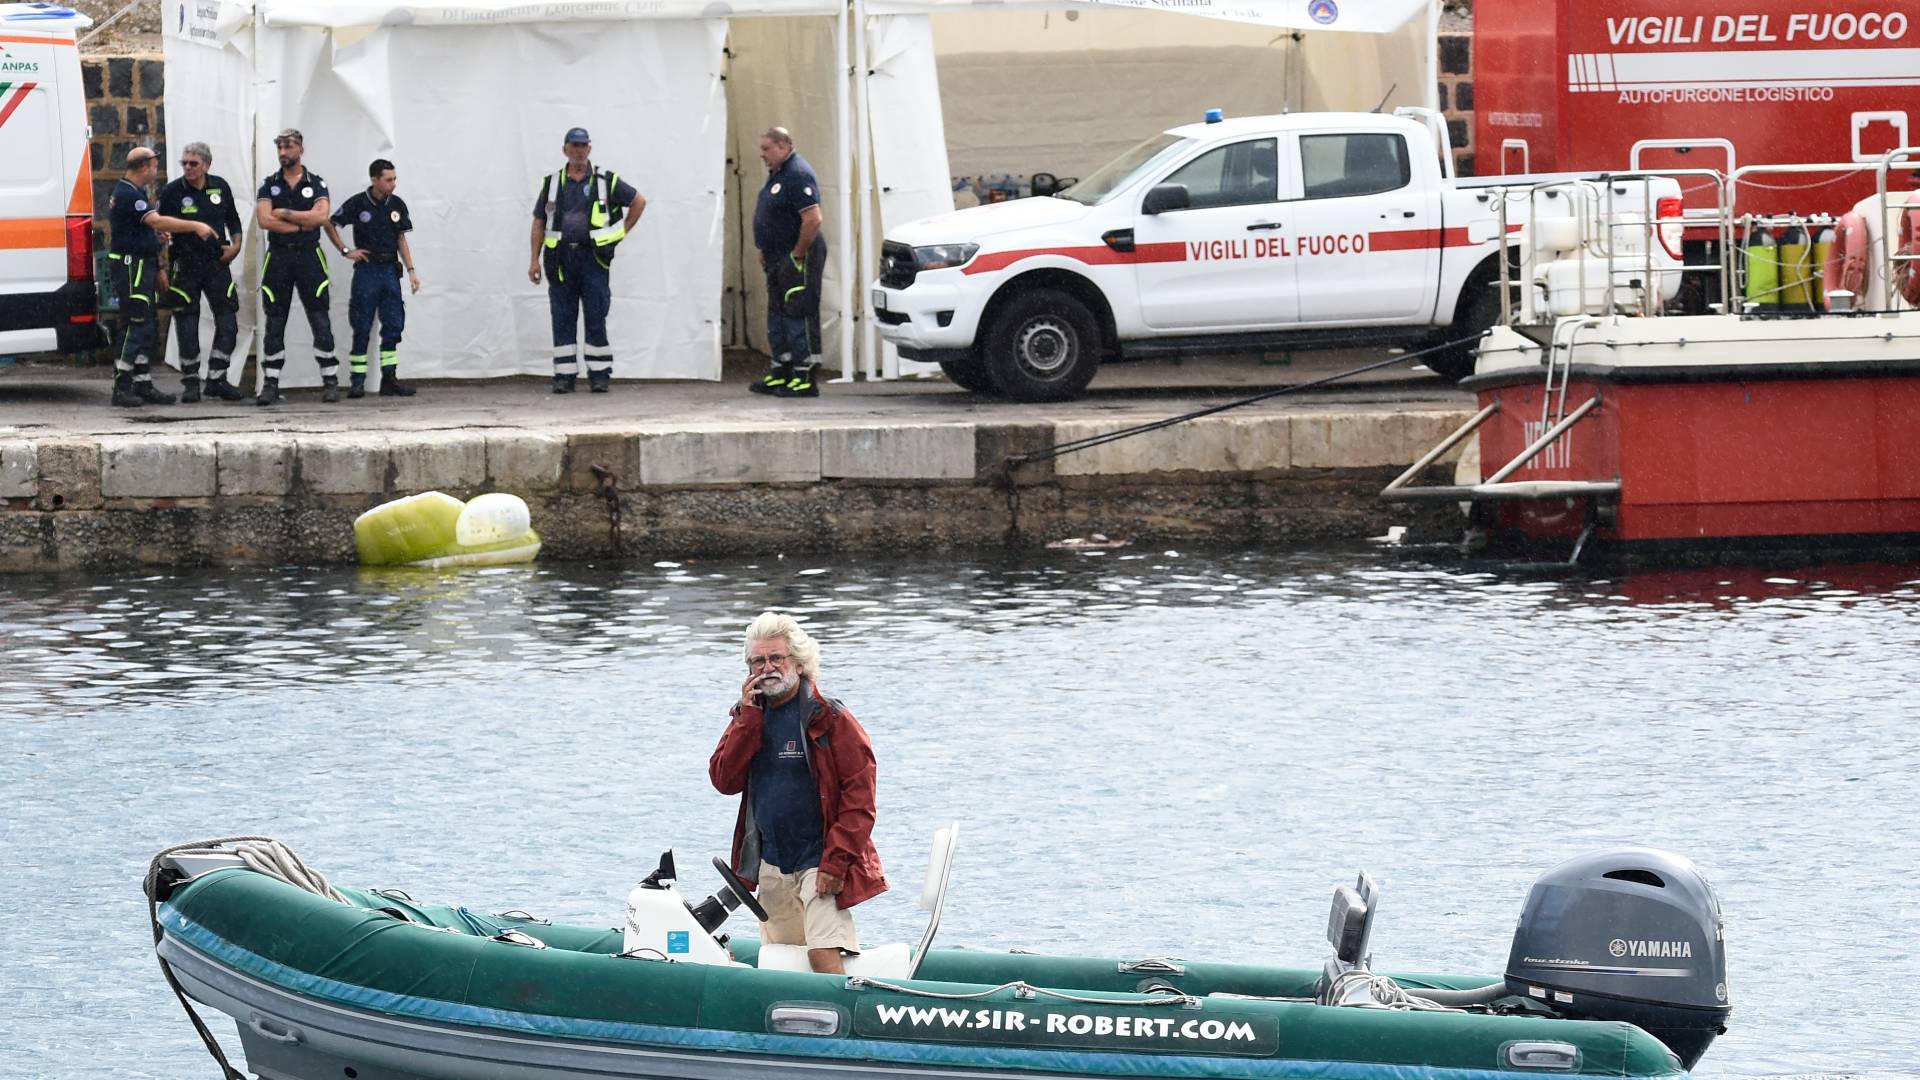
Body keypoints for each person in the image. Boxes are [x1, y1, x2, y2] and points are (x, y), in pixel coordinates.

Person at [710, 612, 886, 974]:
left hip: (820, 860)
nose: (767, 667)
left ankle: (845, 1024)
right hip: (771, 862)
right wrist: (747, 718)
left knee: (821, 953)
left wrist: (836, 863)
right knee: (781, 961)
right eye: (758, 660)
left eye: (777, 658)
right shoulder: (747, 716)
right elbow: (724, 780)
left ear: (800, 664)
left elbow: (861, 802)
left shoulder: (831, 719)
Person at [528, 127, 645, 394]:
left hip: (593, 260)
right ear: (565, 149)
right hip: (560, 261)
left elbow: (639, 201)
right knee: (562, 316)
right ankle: (564, 375)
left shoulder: (606, 181)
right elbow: (539, 222)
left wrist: (621, 231)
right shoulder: (552, 183)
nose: (579, 150)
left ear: (589, 149)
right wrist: (534, 260)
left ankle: (599, 374)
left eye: (583, 146)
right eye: (574, 145)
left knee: (596, 314)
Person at [107, 146, 215, 408]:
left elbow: (144, 229)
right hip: (131, 267)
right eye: (155, 165)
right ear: (144, 167)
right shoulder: (129, 194)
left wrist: (157, 255)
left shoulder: (137, 192)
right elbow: (157, 221)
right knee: (134, 323)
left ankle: (142, 383)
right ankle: (121, 386)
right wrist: (195, 225)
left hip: (144, 264)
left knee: (147, 325)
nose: (157, 170)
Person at [155, 141, 246, 402]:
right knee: (186, 321)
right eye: (184, 163)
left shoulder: (220, 186)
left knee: (228, 318)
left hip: (217, 262)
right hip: (185, 264)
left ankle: (217, 377)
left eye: (193, 163)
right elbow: (158, 223)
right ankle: (191, 381)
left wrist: (236, 245)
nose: (188, 168)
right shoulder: (173, 191)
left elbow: (233, 219)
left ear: (206, 165)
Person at [255, 128, 339, 406]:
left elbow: (322, 216)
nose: (282, 152)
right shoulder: (269, 184)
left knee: (319, 317)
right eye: (278, 147)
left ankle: (330, 380)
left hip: (309, 256)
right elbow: (265, 221)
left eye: (288, 147)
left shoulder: (316, 183)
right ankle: (270, 383)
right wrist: (302, 224)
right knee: (275, 319)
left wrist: (287, 214)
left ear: (300, 149)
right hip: (278, 256)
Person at [324, 158, 420, 398]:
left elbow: (401, 239)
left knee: (393, 324)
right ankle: (358, 381)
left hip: (389, 271)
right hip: (367, 270)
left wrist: (411, 271)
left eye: (395, 179)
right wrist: (346, 251)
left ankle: (389, 378)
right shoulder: (358, 203)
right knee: (362, 325)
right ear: (374, 179)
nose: (393, 184)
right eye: (388, 180)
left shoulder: (397, 204)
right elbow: (330, 223)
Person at [750, 127, 827, 398]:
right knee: (777, 314)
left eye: (766, 149)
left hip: (796, 255)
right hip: (776, 256)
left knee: (797, 312)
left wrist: (798, 254)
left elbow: (813, 219)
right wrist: (764, 248)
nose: (762, 155)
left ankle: (804, 376)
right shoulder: (777, 175)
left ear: (783, 146)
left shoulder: (798, 174)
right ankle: (781, 370)